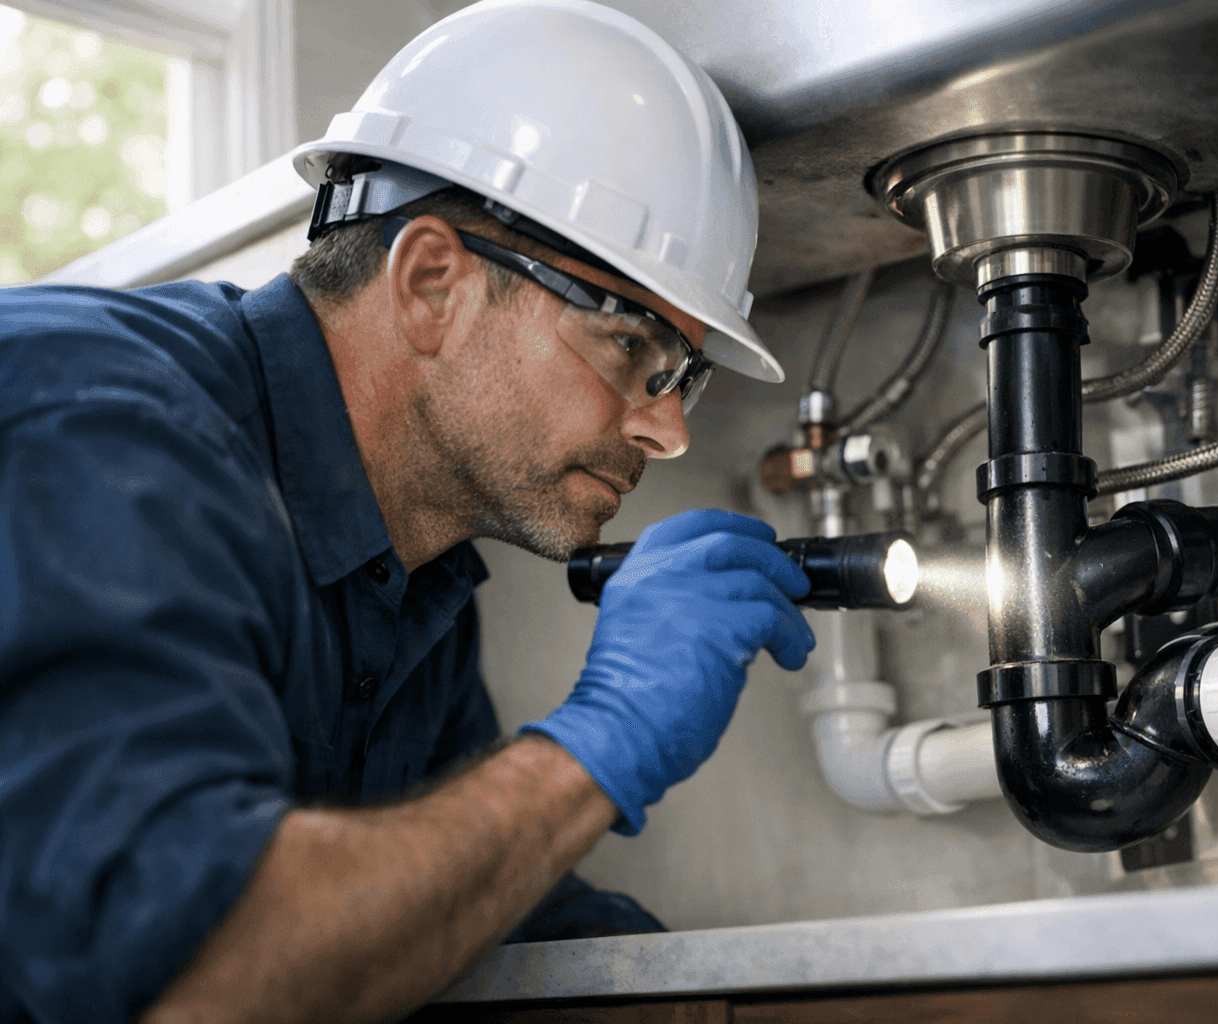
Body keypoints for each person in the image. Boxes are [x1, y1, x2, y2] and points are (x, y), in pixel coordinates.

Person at [0, 2, 816, 1022]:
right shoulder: (101, 429)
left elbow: (450, 904)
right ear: (431, 281)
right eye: (629, 351)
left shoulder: (412, 581)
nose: (669, 432)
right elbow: (190, 973)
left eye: (679, 377)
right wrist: (604, 740)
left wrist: (705, 996)